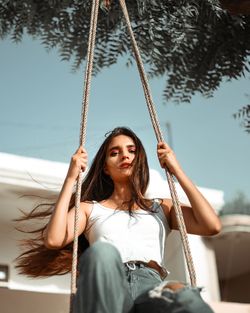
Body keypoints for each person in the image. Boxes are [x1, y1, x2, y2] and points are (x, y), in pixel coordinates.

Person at [16, 126, 221, 313]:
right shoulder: (90, 209)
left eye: (131, 150)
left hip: (149, 288)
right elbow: (54, 239)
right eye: (115, 152)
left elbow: (211, 225)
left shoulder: (162, 207)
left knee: (186, 297)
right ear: (105, 167)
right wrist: (71, 179)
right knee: (103, 252)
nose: (125, 155)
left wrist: (177, 170)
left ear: (140, 158)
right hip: (108, 286)